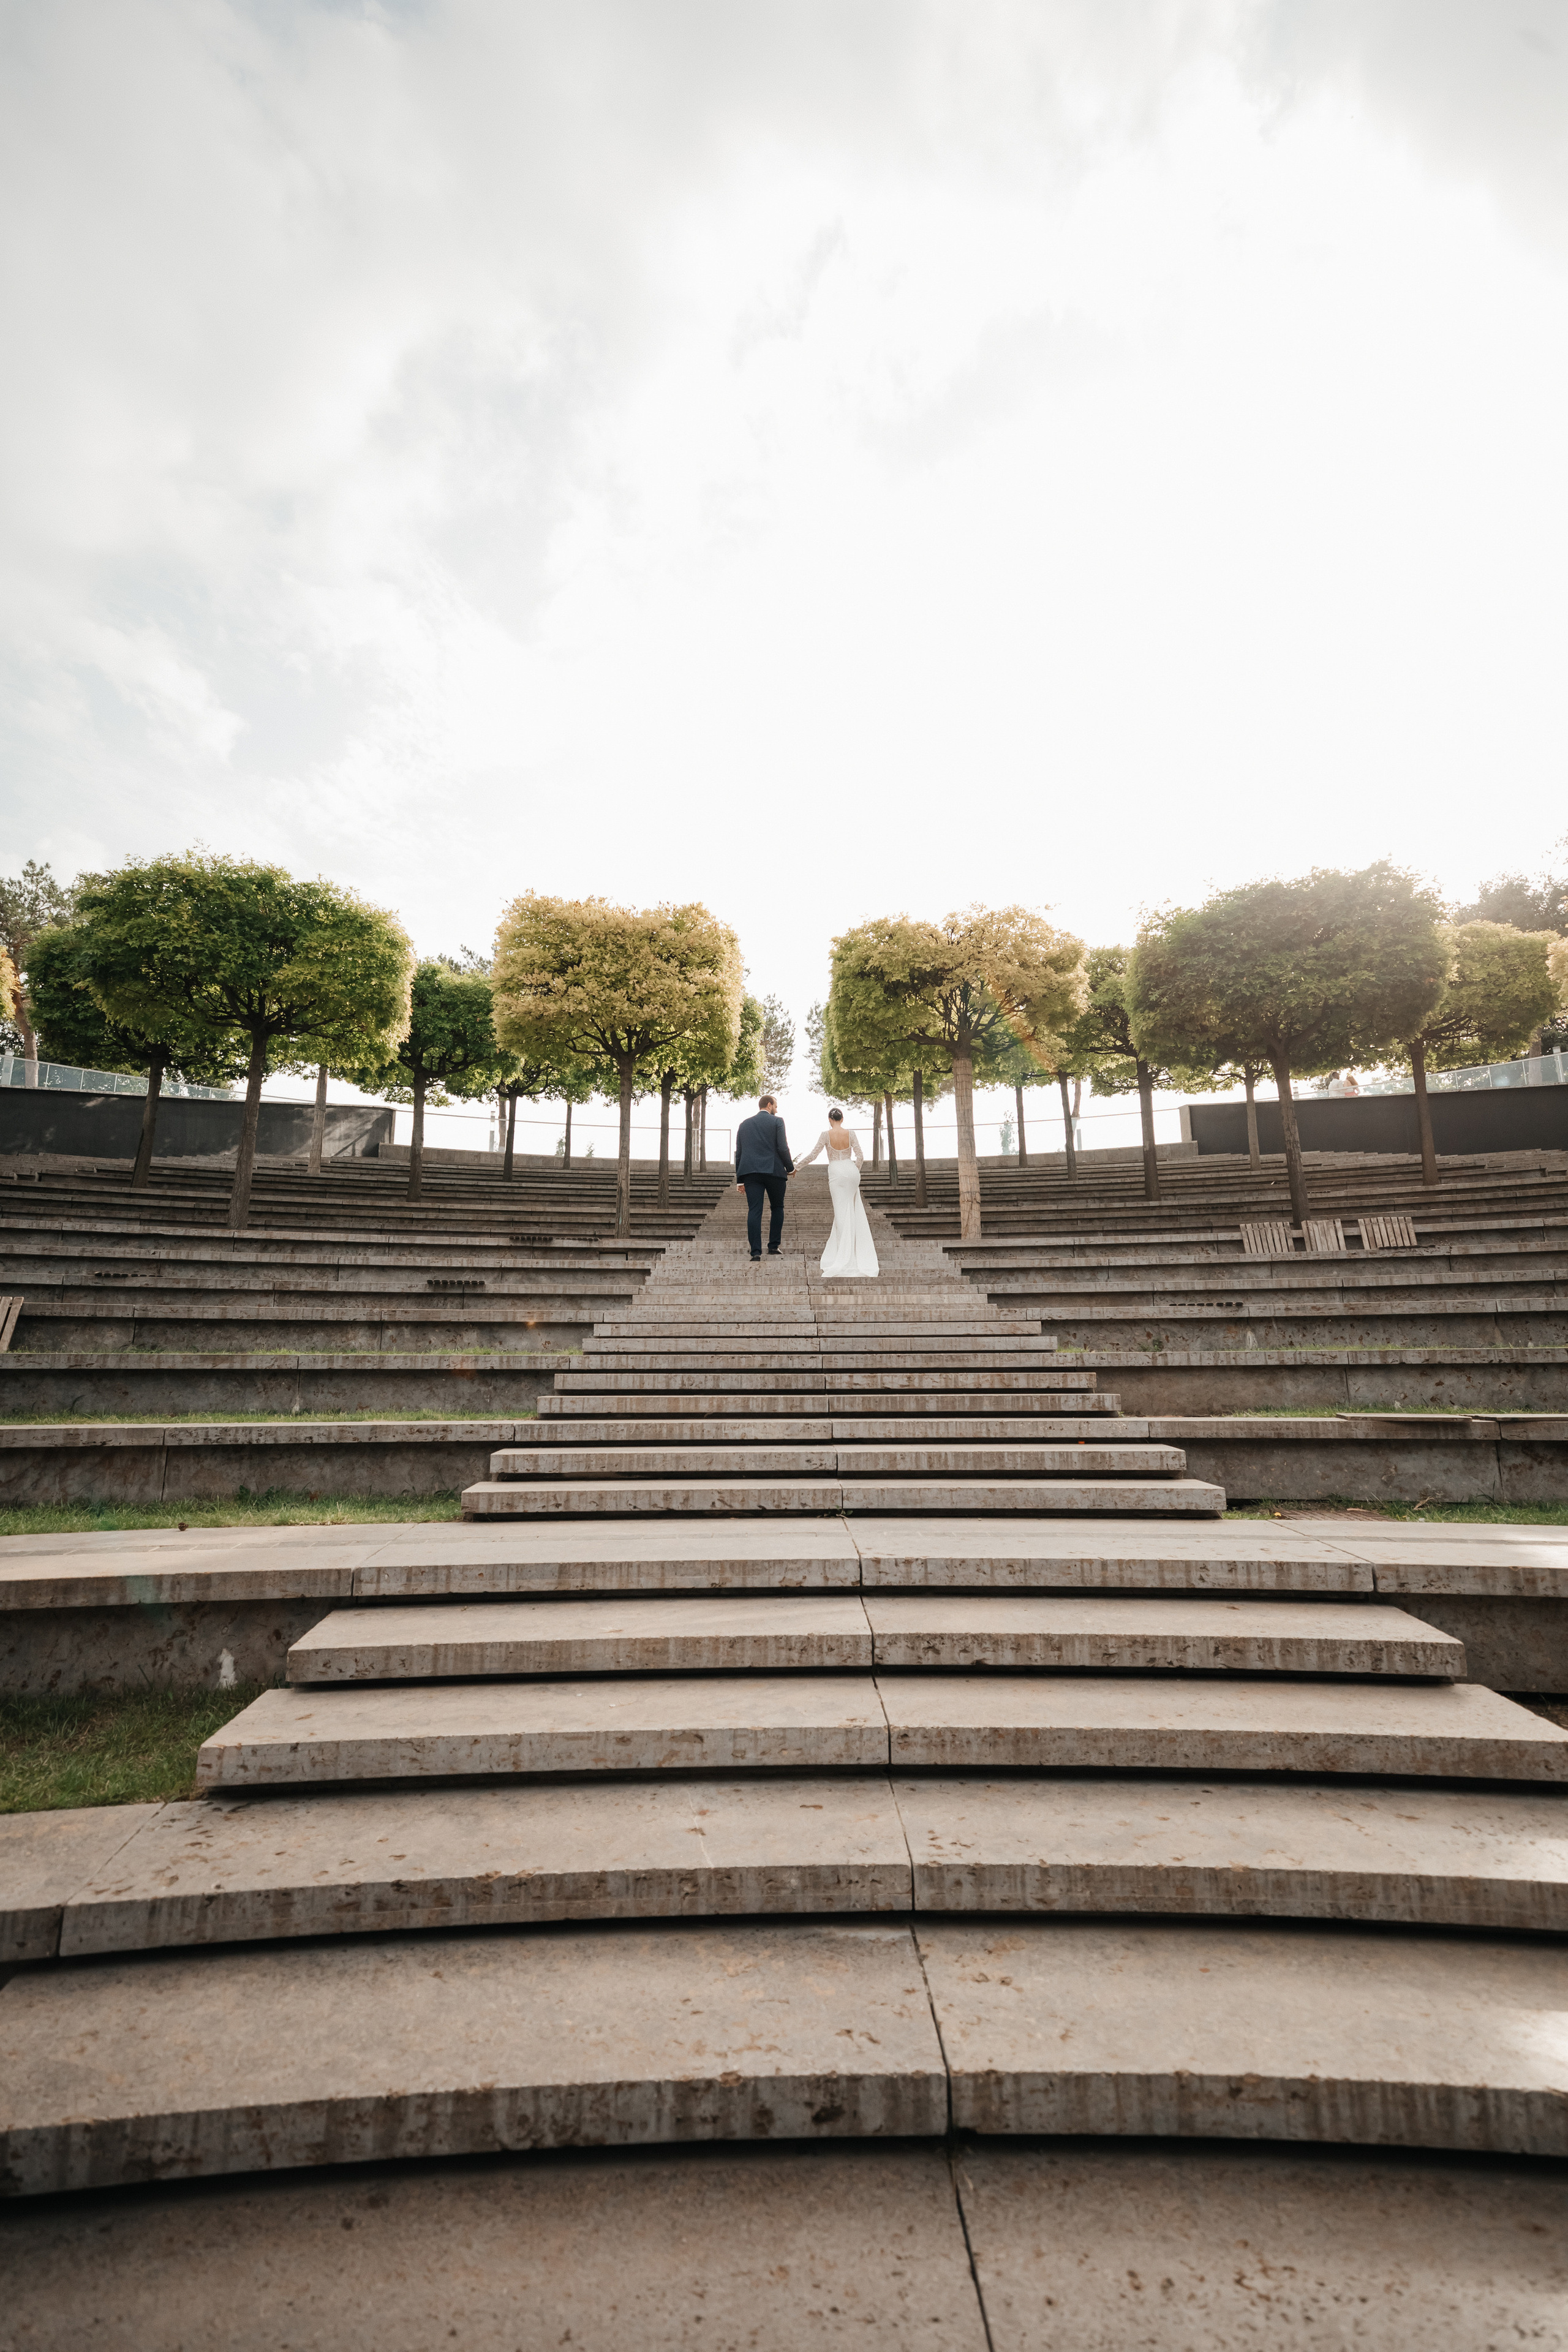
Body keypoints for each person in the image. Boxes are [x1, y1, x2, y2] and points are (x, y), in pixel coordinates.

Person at [798, 1107, 880, 1277]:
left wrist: (796, 1168)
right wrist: (854, 1171)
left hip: (836, 1172)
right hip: (851, 1172)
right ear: (842, 1119)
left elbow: (814, 1155)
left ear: (830, 1119)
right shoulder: (851, 1133)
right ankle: (854, 1252)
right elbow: (860, 1156)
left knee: (842, 1214)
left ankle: (844, 1255)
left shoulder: (825, 1135)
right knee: (853, 1211)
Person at [734, 1092, 794, 1261]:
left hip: (751, 1173)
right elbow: (783, 1147)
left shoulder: (744, 1124)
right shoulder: (777, 1121)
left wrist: (740, 1179)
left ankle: (755, 1252)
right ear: (769, 1105)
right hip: (774, 1171)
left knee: (754, 1211)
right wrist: (790, 1168)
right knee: (777, 1207)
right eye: (775, 1105)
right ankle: (774, 1247)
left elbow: (739, 1152)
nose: (776, 1109)